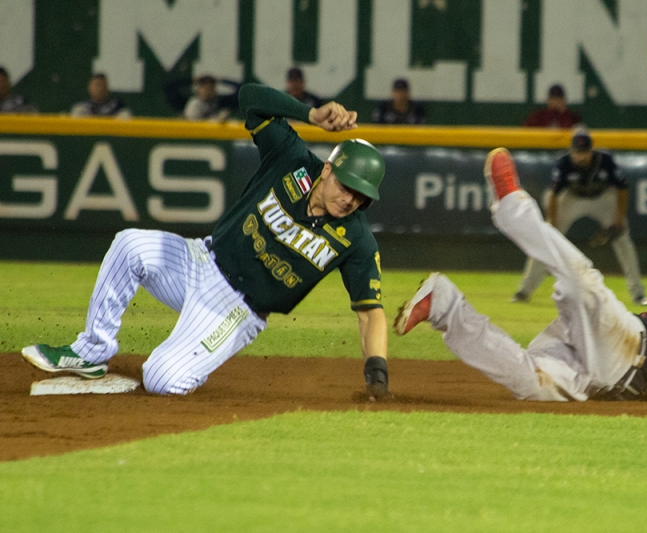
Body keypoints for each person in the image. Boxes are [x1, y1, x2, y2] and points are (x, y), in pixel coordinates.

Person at [22, 83, 391, 400]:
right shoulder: (290, 160)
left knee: (161, 379)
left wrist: (377, 374)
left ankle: (192, 356)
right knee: (129, 244)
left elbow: (370, 311)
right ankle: (92, 351)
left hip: (236, 308)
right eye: (347, 187)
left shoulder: (355, 239)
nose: (351, 200)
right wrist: (308, 113)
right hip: (200, 260)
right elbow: (250, 98)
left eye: (361, 197)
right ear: (328, 169)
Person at [394, 148, 647, 405]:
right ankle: (513, 203)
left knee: (530, 383)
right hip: (626, 344)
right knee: (582, 282)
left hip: (592, 378)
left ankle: (443, 304)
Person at [512, 128, 647, 306]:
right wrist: (551, 224)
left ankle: (638, 293)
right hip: (572, 198)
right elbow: (553, 195)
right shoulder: (564, 163)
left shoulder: (605, 160)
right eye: (578, 152)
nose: (581, 156)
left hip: (602, 198)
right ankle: (524, 291)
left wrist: (618, 219)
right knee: (546, 239)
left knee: (623, 239)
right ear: (572, 151)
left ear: (591, 151)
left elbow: (622, 188)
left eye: (584, 152)